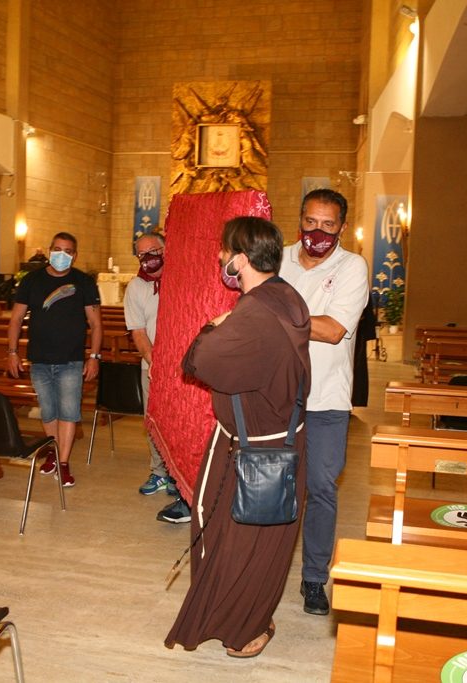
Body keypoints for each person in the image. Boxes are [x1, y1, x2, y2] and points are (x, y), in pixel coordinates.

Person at [165, 216, 311, 658]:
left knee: (242, 541)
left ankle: (245, 623)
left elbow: (197, 362)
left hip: (256, 449)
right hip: (274, 440)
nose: (219, 257)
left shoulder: (253, 315)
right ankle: (238, 614)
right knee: (255, 540)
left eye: (225, 251)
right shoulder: (284, 295)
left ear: (241, 259)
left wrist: (213, 324)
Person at [280, 188, 369, 616]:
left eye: (328, 225)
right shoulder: (277, 259)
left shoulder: (352, 266)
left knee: (320, 488)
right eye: (310, 222)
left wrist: (272, 314)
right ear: (300, 220)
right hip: (277, 395)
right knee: (272, 486)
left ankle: (315, 578)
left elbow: (333, 330)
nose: (317, 232)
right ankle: (265, 570)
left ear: (342, 227)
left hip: (327, 399)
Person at [8, 231, 102, 488]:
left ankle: (63, 462)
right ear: (50, 251)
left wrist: (94, 356)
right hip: (39, 358)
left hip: (71, 359)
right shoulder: (31, 280)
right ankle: (53, 451)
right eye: (58, 249)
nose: (62, 255)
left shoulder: (83, 282)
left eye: (68, 251)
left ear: (75, 255)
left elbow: (95, 323)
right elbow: (16, 319)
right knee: (48, 411)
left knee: (68, 412)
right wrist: (12, 352)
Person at [122, 232, 193, 524]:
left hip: (186, 367)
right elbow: (138, 332)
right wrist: (155, 362)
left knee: (182, 421)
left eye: (154, 250)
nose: (148, 257)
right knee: (153, 420)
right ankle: (159, 472)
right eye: (142, 254)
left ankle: (181, 475)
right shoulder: (136, 287)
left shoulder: (184, 279)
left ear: (166, 249)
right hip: (151, 365)